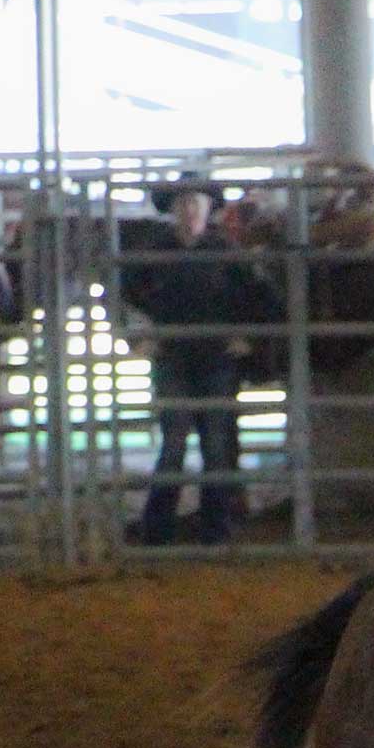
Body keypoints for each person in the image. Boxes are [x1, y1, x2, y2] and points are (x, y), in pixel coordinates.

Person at [123, 174, 266, 547]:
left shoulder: (221, 251)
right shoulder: (159, 252)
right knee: (179, 442)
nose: (189, 210)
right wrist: (139, 333)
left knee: (211, 444)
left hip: (211, 358)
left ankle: (194, 529)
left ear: (207, 209)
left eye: (196, 203)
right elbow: (126, 299)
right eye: (184, 203)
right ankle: (184, 530)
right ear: (173, 209)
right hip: (178, 357)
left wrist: (247, 336)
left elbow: (260, 296)